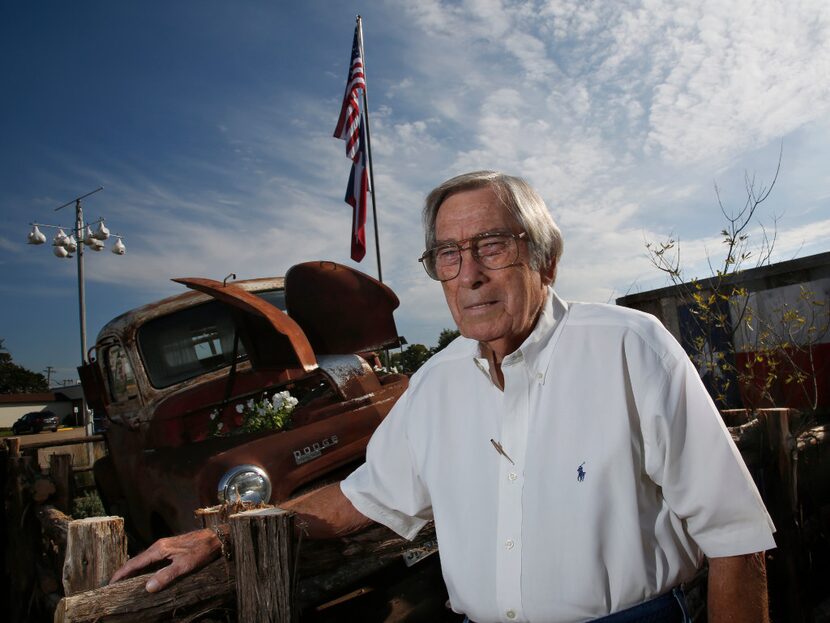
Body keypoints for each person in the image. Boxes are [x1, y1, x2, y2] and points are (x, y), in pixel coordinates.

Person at [112, 171, 776, 622]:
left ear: (546, 259)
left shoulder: (632, 347)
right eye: (449, 255)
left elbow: (734, 537)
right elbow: (353, 499)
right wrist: (225, 534)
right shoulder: (434, 384)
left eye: (492, 244)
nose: (471, 274)